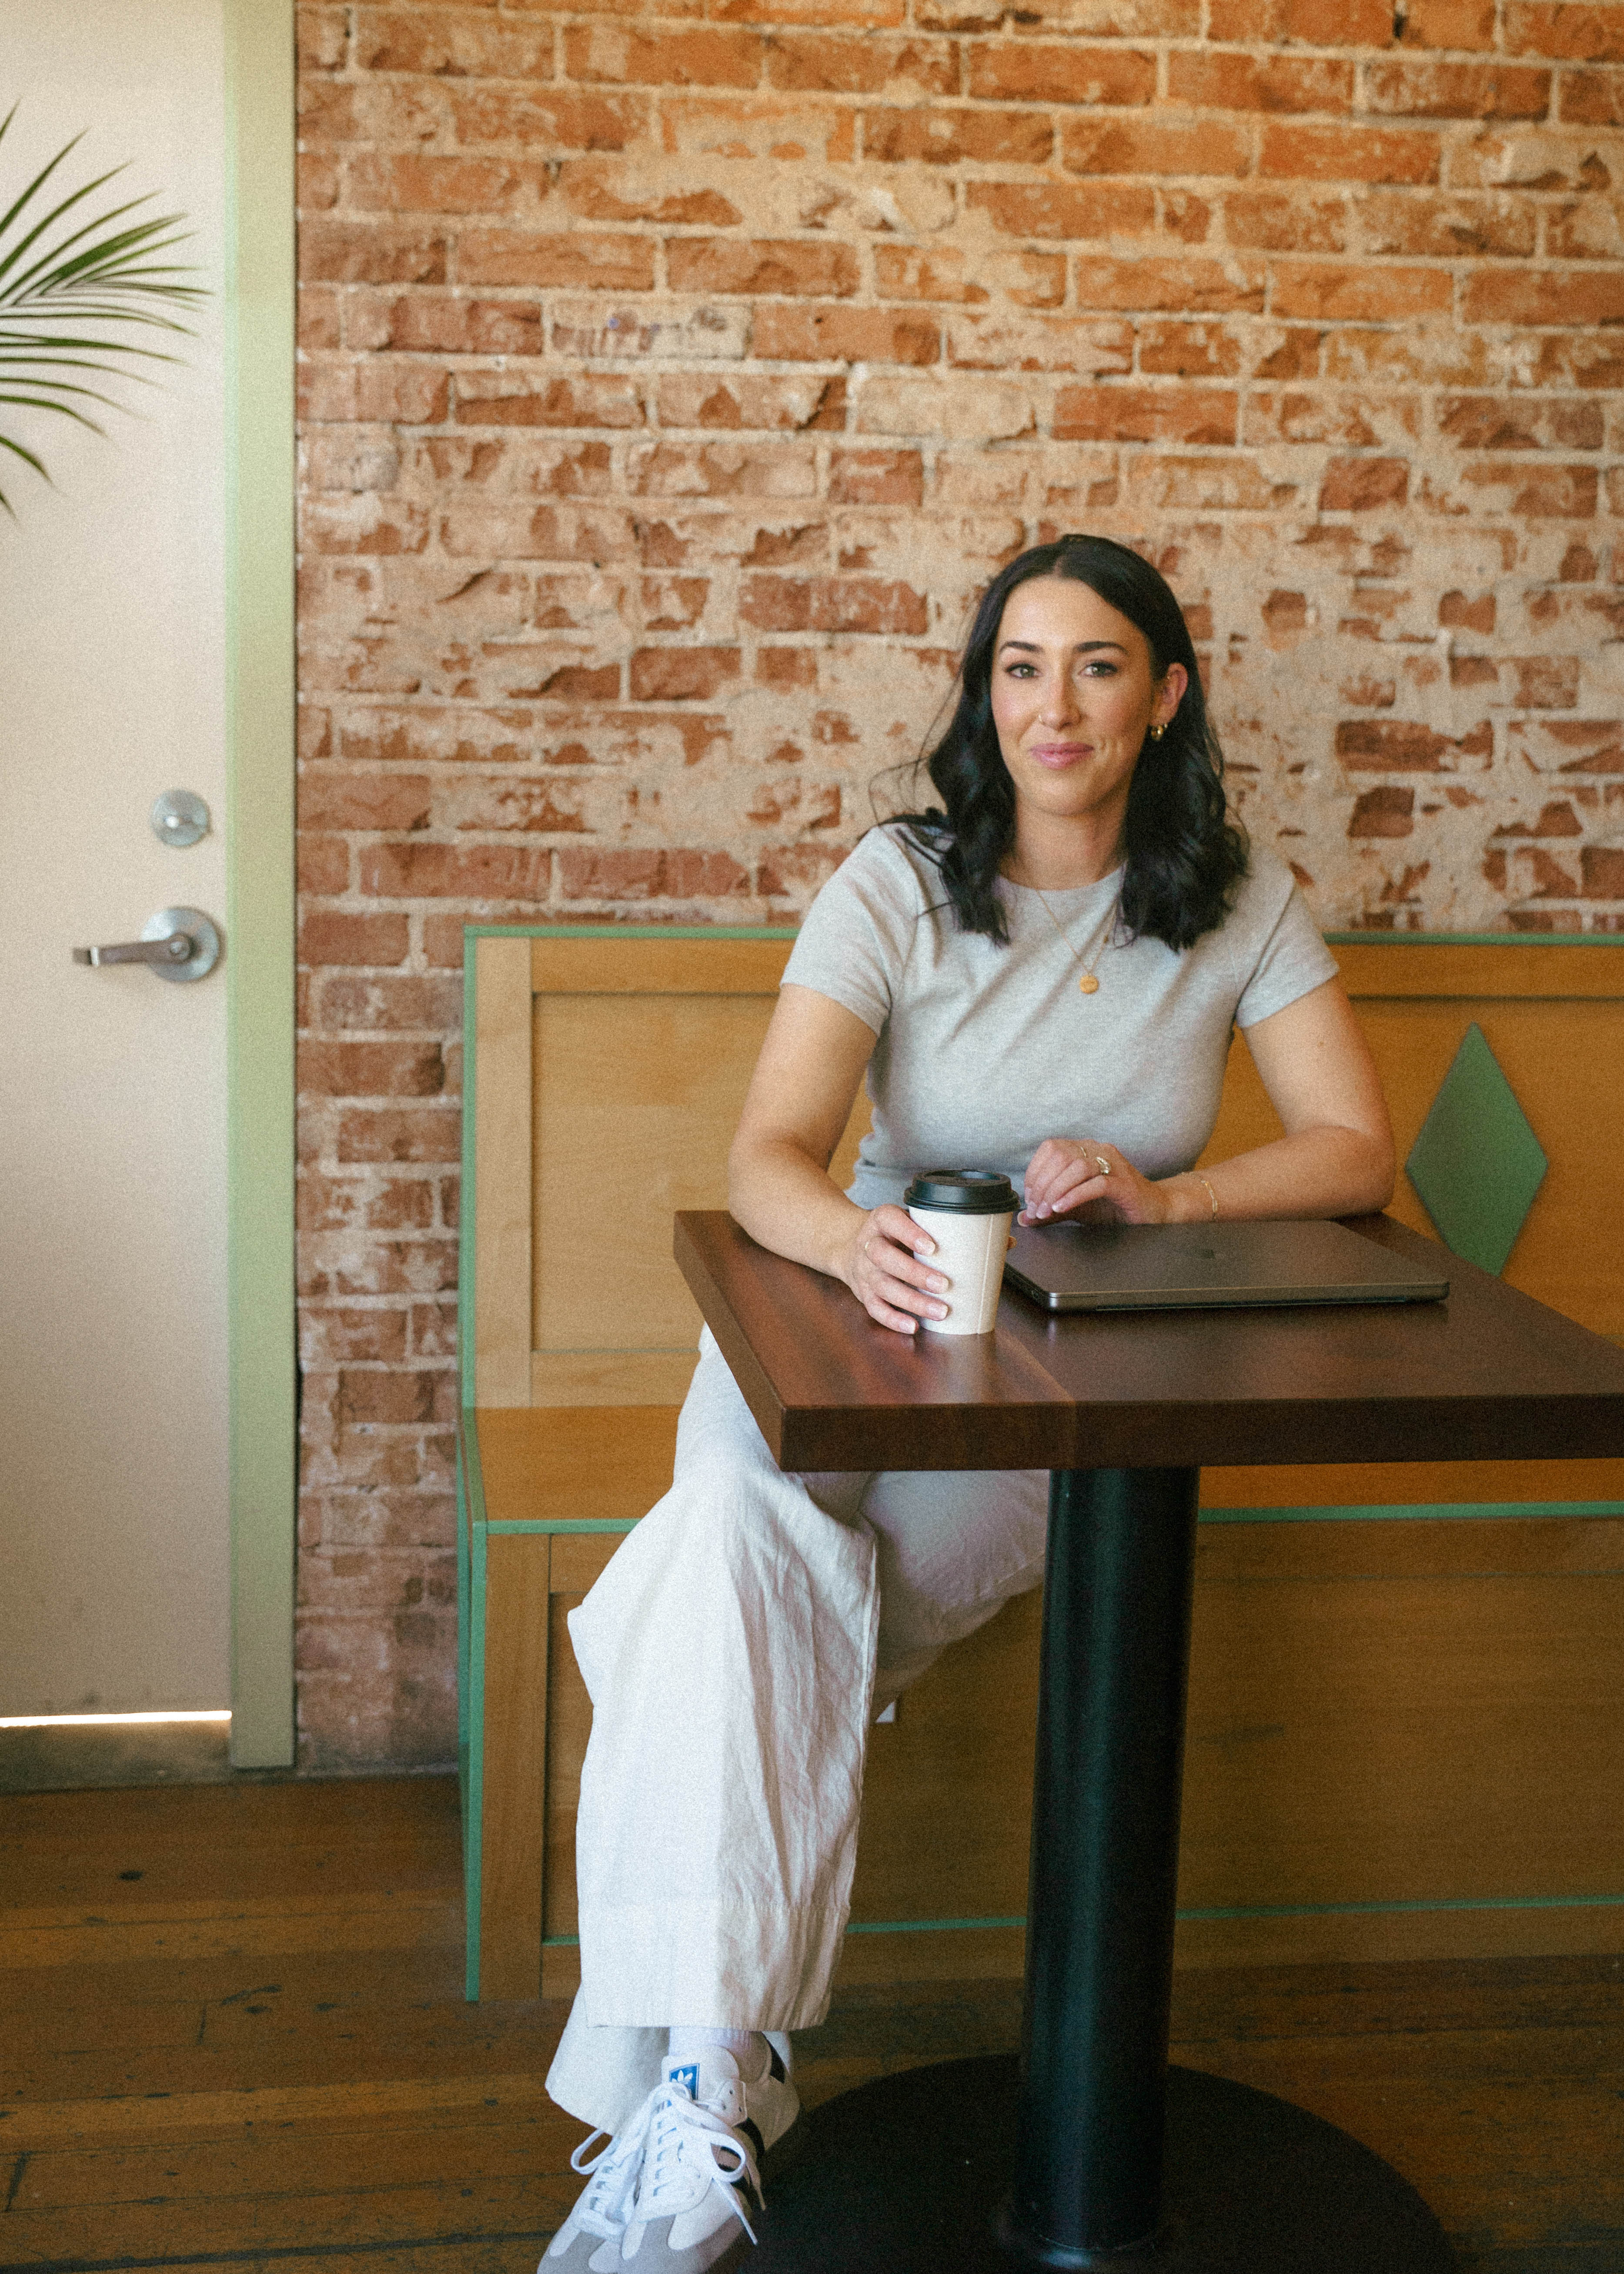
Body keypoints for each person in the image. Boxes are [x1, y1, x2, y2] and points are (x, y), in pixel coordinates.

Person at [541, 535, 1395, 2273]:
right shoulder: (898, 877)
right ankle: (708, 2078)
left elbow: (1353, 1146)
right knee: (727, 1533)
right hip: (834, 1320)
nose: (1051, 704)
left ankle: (700, 2106)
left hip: (1063, 1379)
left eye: (1094, 665)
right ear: (982, 691)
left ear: (1163, 695)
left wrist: (1168, 1198)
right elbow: (766, 1153)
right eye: (1018, 664)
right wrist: (854, 1238)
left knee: (736, 1608)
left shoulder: (1240, 895)